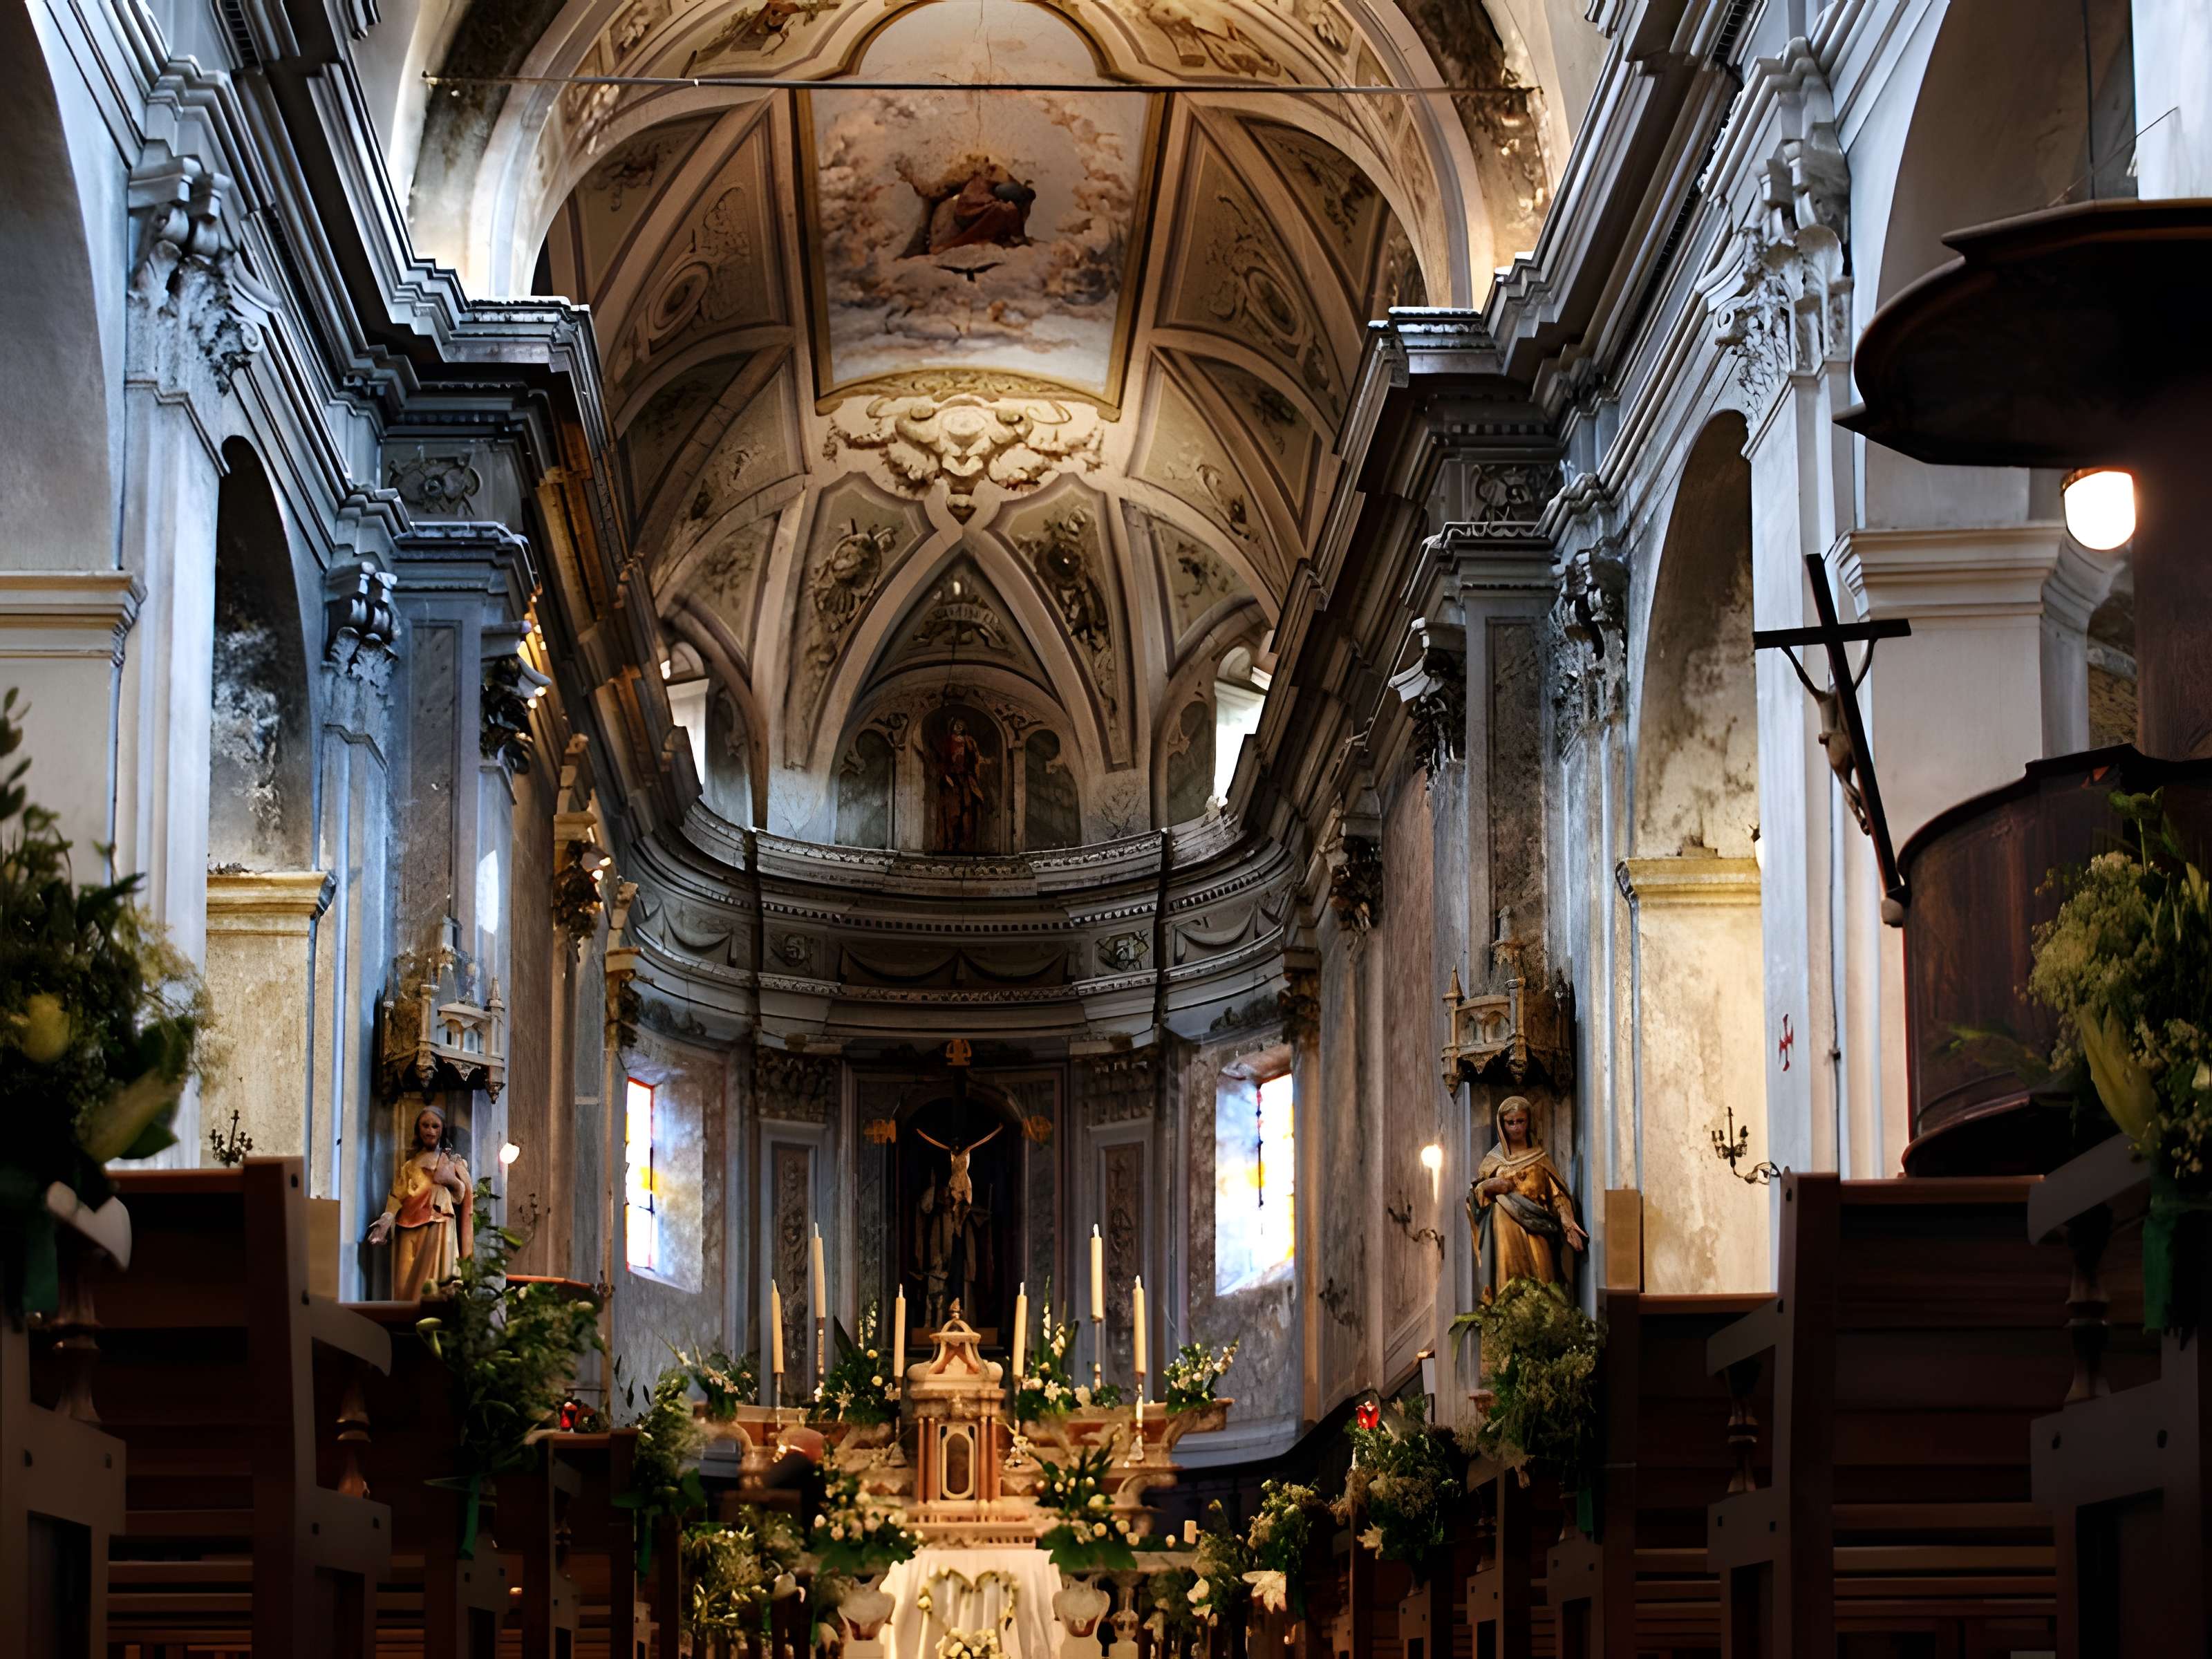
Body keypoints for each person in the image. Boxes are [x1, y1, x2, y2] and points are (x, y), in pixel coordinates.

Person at [1468, 1094, 1586, 1295]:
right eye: (1510, 1123)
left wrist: (1567, 1223)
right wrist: (1489, 1186)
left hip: (1539, 1229)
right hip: (1505, 1236)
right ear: (1502, 1125)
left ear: (1529, 1121)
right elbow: (1476, 1202)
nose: (1516, 1128)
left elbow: (1557, 1195)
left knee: (1544, 1282)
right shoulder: (1493, 1162)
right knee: (1509, 1287)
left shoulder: (1540, 1158)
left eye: (1520, 1121)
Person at [366, 1100, 474, 1300]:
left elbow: (461, 1196)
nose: (430, 1131)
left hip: (438, 1224)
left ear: (442, 1130)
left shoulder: (451, 1161)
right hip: (409, 1225)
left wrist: (450, 1179)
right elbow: (397, 1196)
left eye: (435, 1126)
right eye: (425, 1125)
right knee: (405, 1281)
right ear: (418, 1129)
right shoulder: (409, 1165)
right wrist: (387, 1217)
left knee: (436, 1280)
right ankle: (407, 1314)